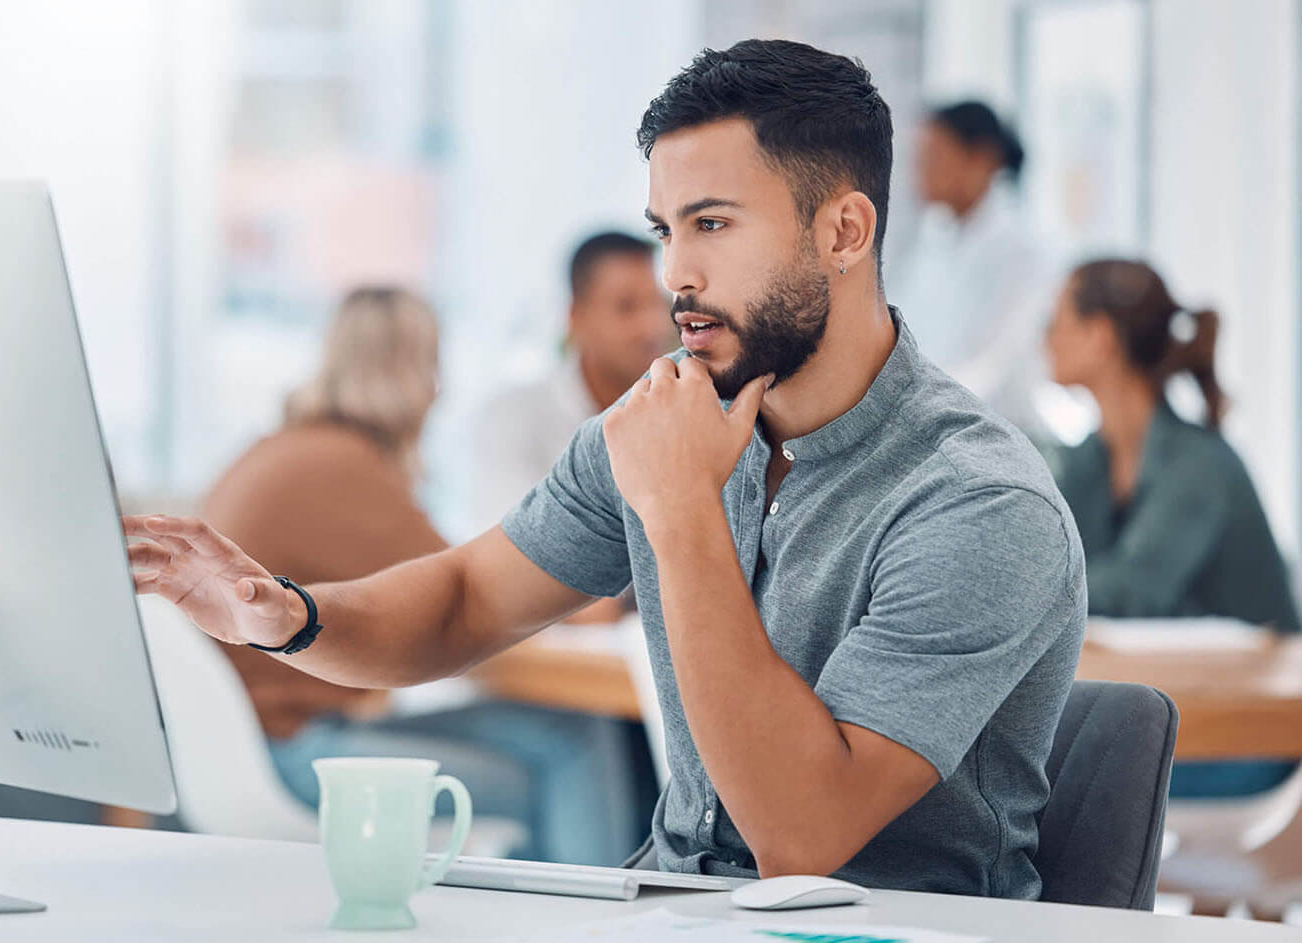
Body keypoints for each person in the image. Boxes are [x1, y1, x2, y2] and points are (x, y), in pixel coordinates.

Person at [128, 40, 1085, 897]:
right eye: (666, 229)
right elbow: (465, 600)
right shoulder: (660, 422)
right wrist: (288, 613)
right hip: (671, 906)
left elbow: (802, 834)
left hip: (888, 926)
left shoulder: (977, 502)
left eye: (711, 225)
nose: (675, 274)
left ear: (842, 232)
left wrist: (679, 510)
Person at [201, 286, 649, 864]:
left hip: (256, 742)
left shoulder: (285, 450)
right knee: (574, 751)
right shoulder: (344, 468)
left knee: (573, 735)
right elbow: (485, 598)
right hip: (296, 754)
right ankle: (597, 924)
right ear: (414, 373)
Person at [1043, 259, 1300, 797]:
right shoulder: (1092, 458)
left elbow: (1133, 589)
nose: (1046, 336)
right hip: (1164, 713)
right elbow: (1057, 562)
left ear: (1101, 336)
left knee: (1057, 782)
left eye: (1058, 320)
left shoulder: (1200, 463)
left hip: (1244, 735)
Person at [473, 231, 674, 534]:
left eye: (657, 304)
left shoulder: (680, 412)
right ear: (576, 316)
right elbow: (512, 546)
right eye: (626, 307)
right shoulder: (514, 416)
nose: (652, 326)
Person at [889, 100, 1060, 437]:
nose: (919, 171)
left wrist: (910, 405)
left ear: (981, 159)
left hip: (992, 430)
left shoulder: (1019, 246)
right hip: (932, 419)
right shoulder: (935, 236)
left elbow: (994, 364)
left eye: (933, 157)